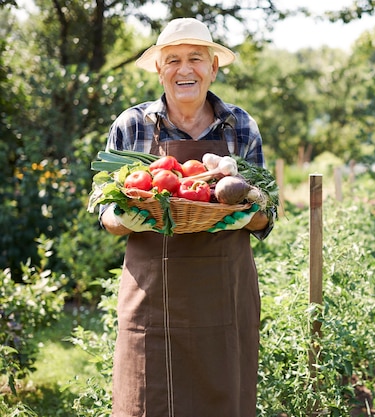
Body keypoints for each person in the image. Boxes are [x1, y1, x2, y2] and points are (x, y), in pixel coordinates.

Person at [99, 17, 273, 416]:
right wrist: (126, 219)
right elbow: (106, 212)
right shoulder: (132, 126)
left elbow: (267, 213)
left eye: (196, 58)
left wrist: (248, 215)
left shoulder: (240, 127)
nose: (185, 69)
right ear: (160, 69)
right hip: (152, 303)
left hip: (223, 301)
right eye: (173, 59)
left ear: (213, 67)